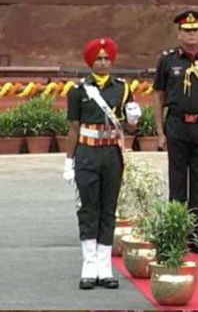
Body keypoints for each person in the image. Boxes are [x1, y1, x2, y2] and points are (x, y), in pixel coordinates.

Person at [62, 37, 141, 290]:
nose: (104, 62)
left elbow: (129, 125)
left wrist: (134, 120)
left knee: (109, 208)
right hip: (87, 153)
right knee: (88, 208)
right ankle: (89, 265)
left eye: (107, 58)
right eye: (99, 58)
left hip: (111, 155)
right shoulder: (78, 91)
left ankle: (105, 267)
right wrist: (68, 161)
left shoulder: (123, 88)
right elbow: (73, 128)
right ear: (90, 62)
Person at [153, 10, 198, 253]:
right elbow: (158, 96)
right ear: (179, 33)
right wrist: (160, 132)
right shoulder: (168, 60)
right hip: (177, 125)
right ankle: (176, 234)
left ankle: (196, 235)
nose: (191, 34)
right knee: (177, 183)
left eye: (195, 30)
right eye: (186, 30)